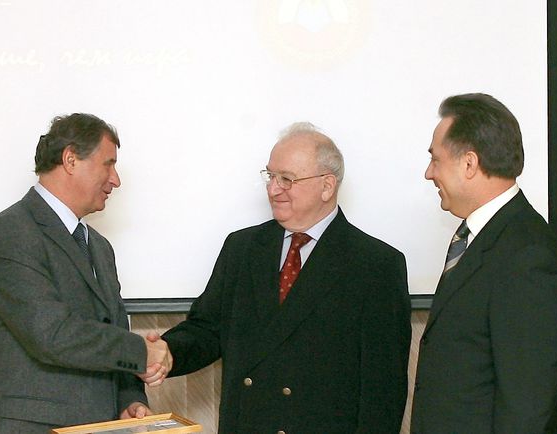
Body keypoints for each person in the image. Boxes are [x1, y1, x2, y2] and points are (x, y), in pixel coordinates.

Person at [144, 122, 411, 433]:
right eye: (270, 176)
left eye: (287, 179)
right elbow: (208, 329)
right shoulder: (242, 248)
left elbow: (383, 390)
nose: (273, 189)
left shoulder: (376, 264)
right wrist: (168, 352)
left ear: (327, 186)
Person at [0, 113, 171, 433]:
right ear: (71, 159)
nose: (116, 180)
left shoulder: (99, 247)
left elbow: (112, 329)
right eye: (108, 164)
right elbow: (52, 334)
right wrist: (141, 351)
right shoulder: (11, 231)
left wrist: (129, 400)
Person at [411, 93, 557, 433]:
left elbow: (527, 403)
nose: (428, 173)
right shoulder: (482, 235)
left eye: (435, 160)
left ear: (469, 163)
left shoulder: (528, 253)